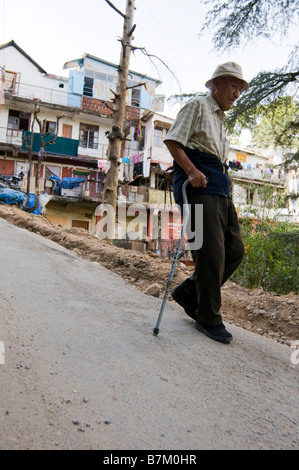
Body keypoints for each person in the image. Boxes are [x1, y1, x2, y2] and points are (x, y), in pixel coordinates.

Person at [164, 62, 248, 344]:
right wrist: (189, 170)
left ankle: (190, 293)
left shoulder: (221, 121)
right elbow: (173, 140)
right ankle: (208, 316)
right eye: (234, 86)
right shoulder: (198, 106)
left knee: (234, 249)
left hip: (219, 189)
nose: (237, 93)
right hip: (196, 187)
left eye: (240, 89)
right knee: (210, 253)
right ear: (217, 83)